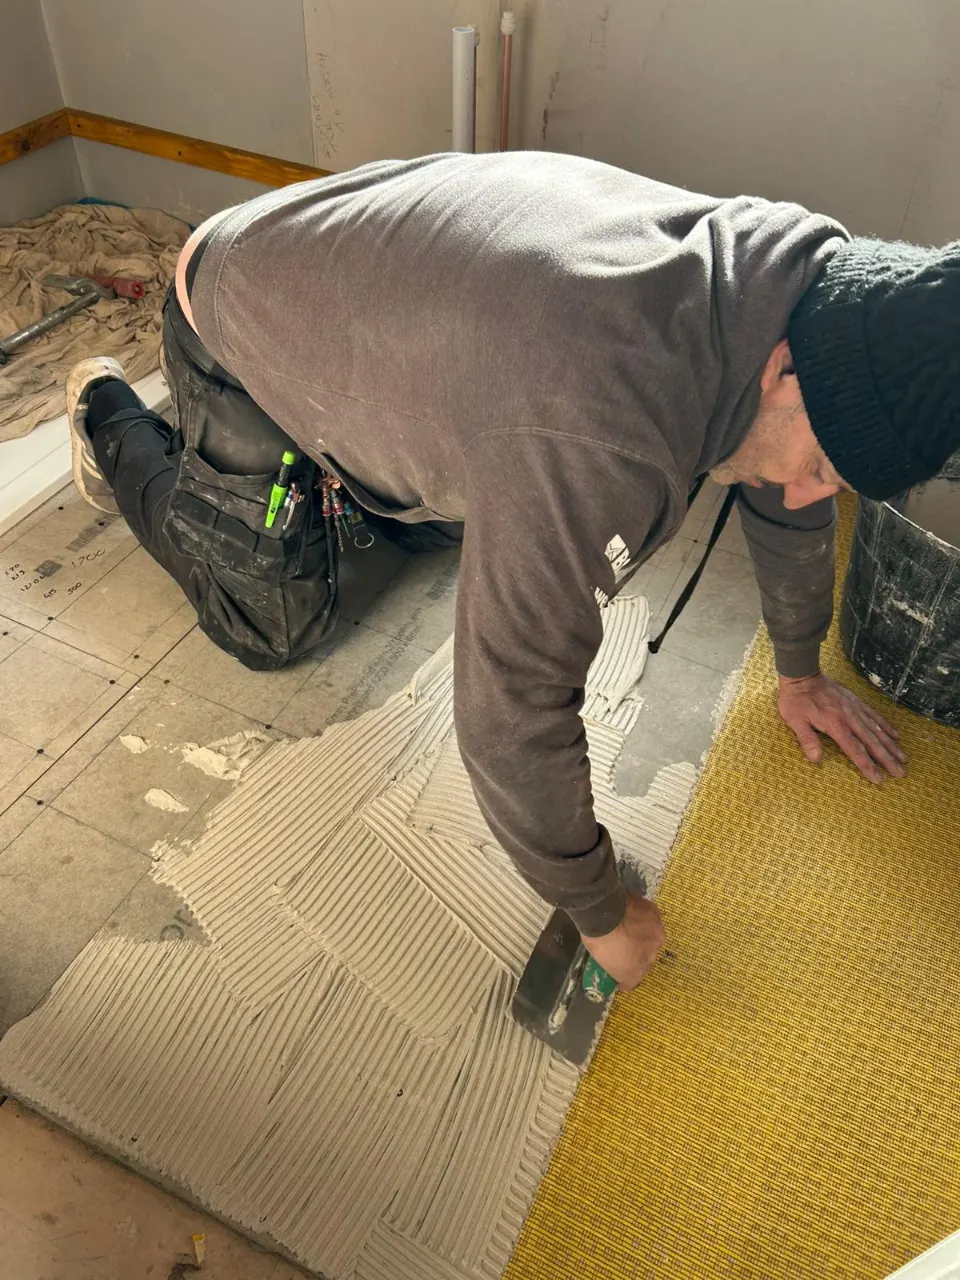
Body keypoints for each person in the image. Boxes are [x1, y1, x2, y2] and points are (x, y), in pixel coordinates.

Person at [65, 152, 960, 992]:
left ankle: (330, 475)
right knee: (272, 621)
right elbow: (508, 713)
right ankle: (107, 411)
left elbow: (783, 481)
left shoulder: (809, 288)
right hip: (236, 303)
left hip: (370, 283)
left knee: (474, 516)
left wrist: (799, 669)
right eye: (823, 468)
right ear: (784, 372)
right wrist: (601, 913)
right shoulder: (600, 422)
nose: (810, 494)